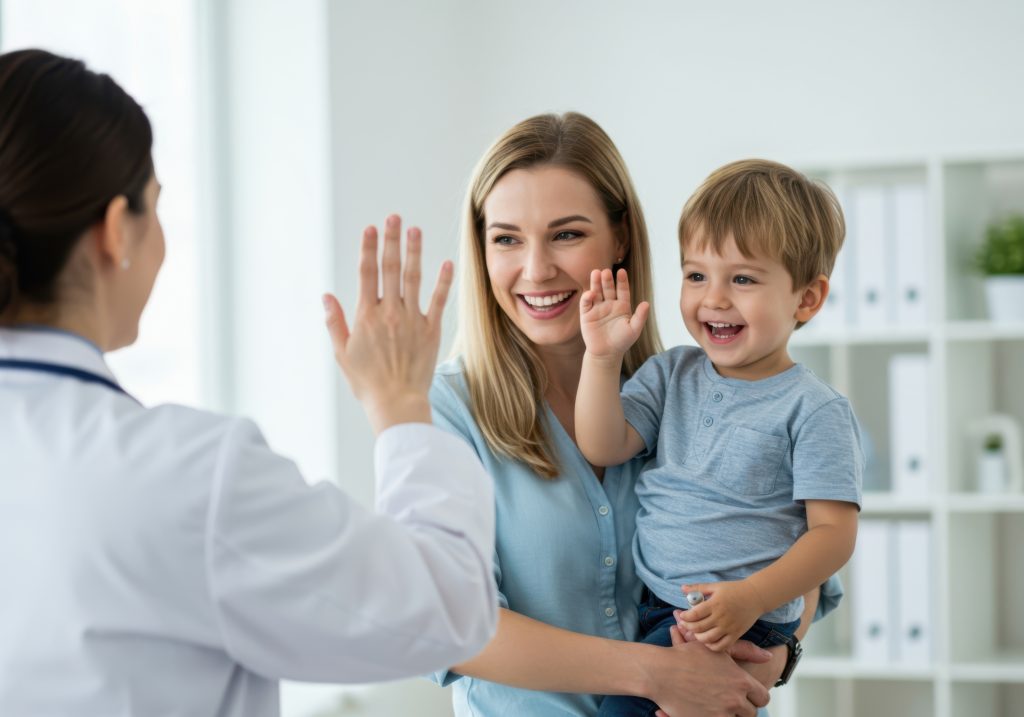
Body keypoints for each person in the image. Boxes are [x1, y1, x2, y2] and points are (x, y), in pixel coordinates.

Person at [0, 48, 497, 716]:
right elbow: (449, 611)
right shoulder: (184, 475)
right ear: (117, 231)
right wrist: (401, 401)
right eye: (156, 208)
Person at [428, 113, 843, 716]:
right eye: (507, 238)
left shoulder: (684, 385)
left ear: (620, 236)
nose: (537, 269)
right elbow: (452, 628)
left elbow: (802, 548)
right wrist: (658, 674)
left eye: (567, 234)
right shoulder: (447, 410)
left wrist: (772, 655)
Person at [574, 159, 863, 716]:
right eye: (696, 275)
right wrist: (602, 358)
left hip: (740, 623)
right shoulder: (670, 373)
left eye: (743, 278)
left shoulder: (815, 408)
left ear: (806, 299)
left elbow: (834, 537)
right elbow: (602, 446)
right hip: (658, 608)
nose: (714, 298)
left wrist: (750, 598)